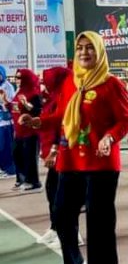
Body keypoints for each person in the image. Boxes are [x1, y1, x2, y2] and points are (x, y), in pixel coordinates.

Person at [19, 31, 128, 264]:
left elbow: (126, 120)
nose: (84, 52)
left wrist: (109, 138)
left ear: (100, 51)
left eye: (89, 47)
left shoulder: (112, 84)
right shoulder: (72, 82)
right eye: (80, 47)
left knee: (99, 222)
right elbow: (61, 114)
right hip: (71, 160)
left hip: (101, 164)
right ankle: (74, 262)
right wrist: (38, 121)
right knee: (61, 215)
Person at [36, 67, 82, 247]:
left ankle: (72, 235)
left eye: (45, 79)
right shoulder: (54, 97)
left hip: (64, 153)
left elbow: (61, 126)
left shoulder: (65, 96)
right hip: (54, 153)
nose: (42, 82)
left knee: (64, 197)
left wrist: (54, 151)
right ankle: (55, 228)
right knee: (52, 191)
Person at [11, 68, 42, 192]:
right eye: (16, 77)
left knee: (30, 157)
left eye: (19, 77)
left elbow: (37, 111)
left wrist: (26, 104)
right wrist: (6, 102)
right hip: (18, 131)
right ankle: (21, 179)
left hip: (30, 131)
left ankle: (34, 182)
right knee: (17, 155)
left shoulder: (33, 93)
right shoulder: (18, 92)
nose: (16, 80)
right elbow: (14, 109)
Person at [0, 65, 16, 179]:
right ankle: (3, 168)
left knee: (7, 147)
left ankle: (10, 169)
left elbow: (10, 102)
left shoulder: (8, 86)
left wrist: (3, 103)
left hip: (6, 122)